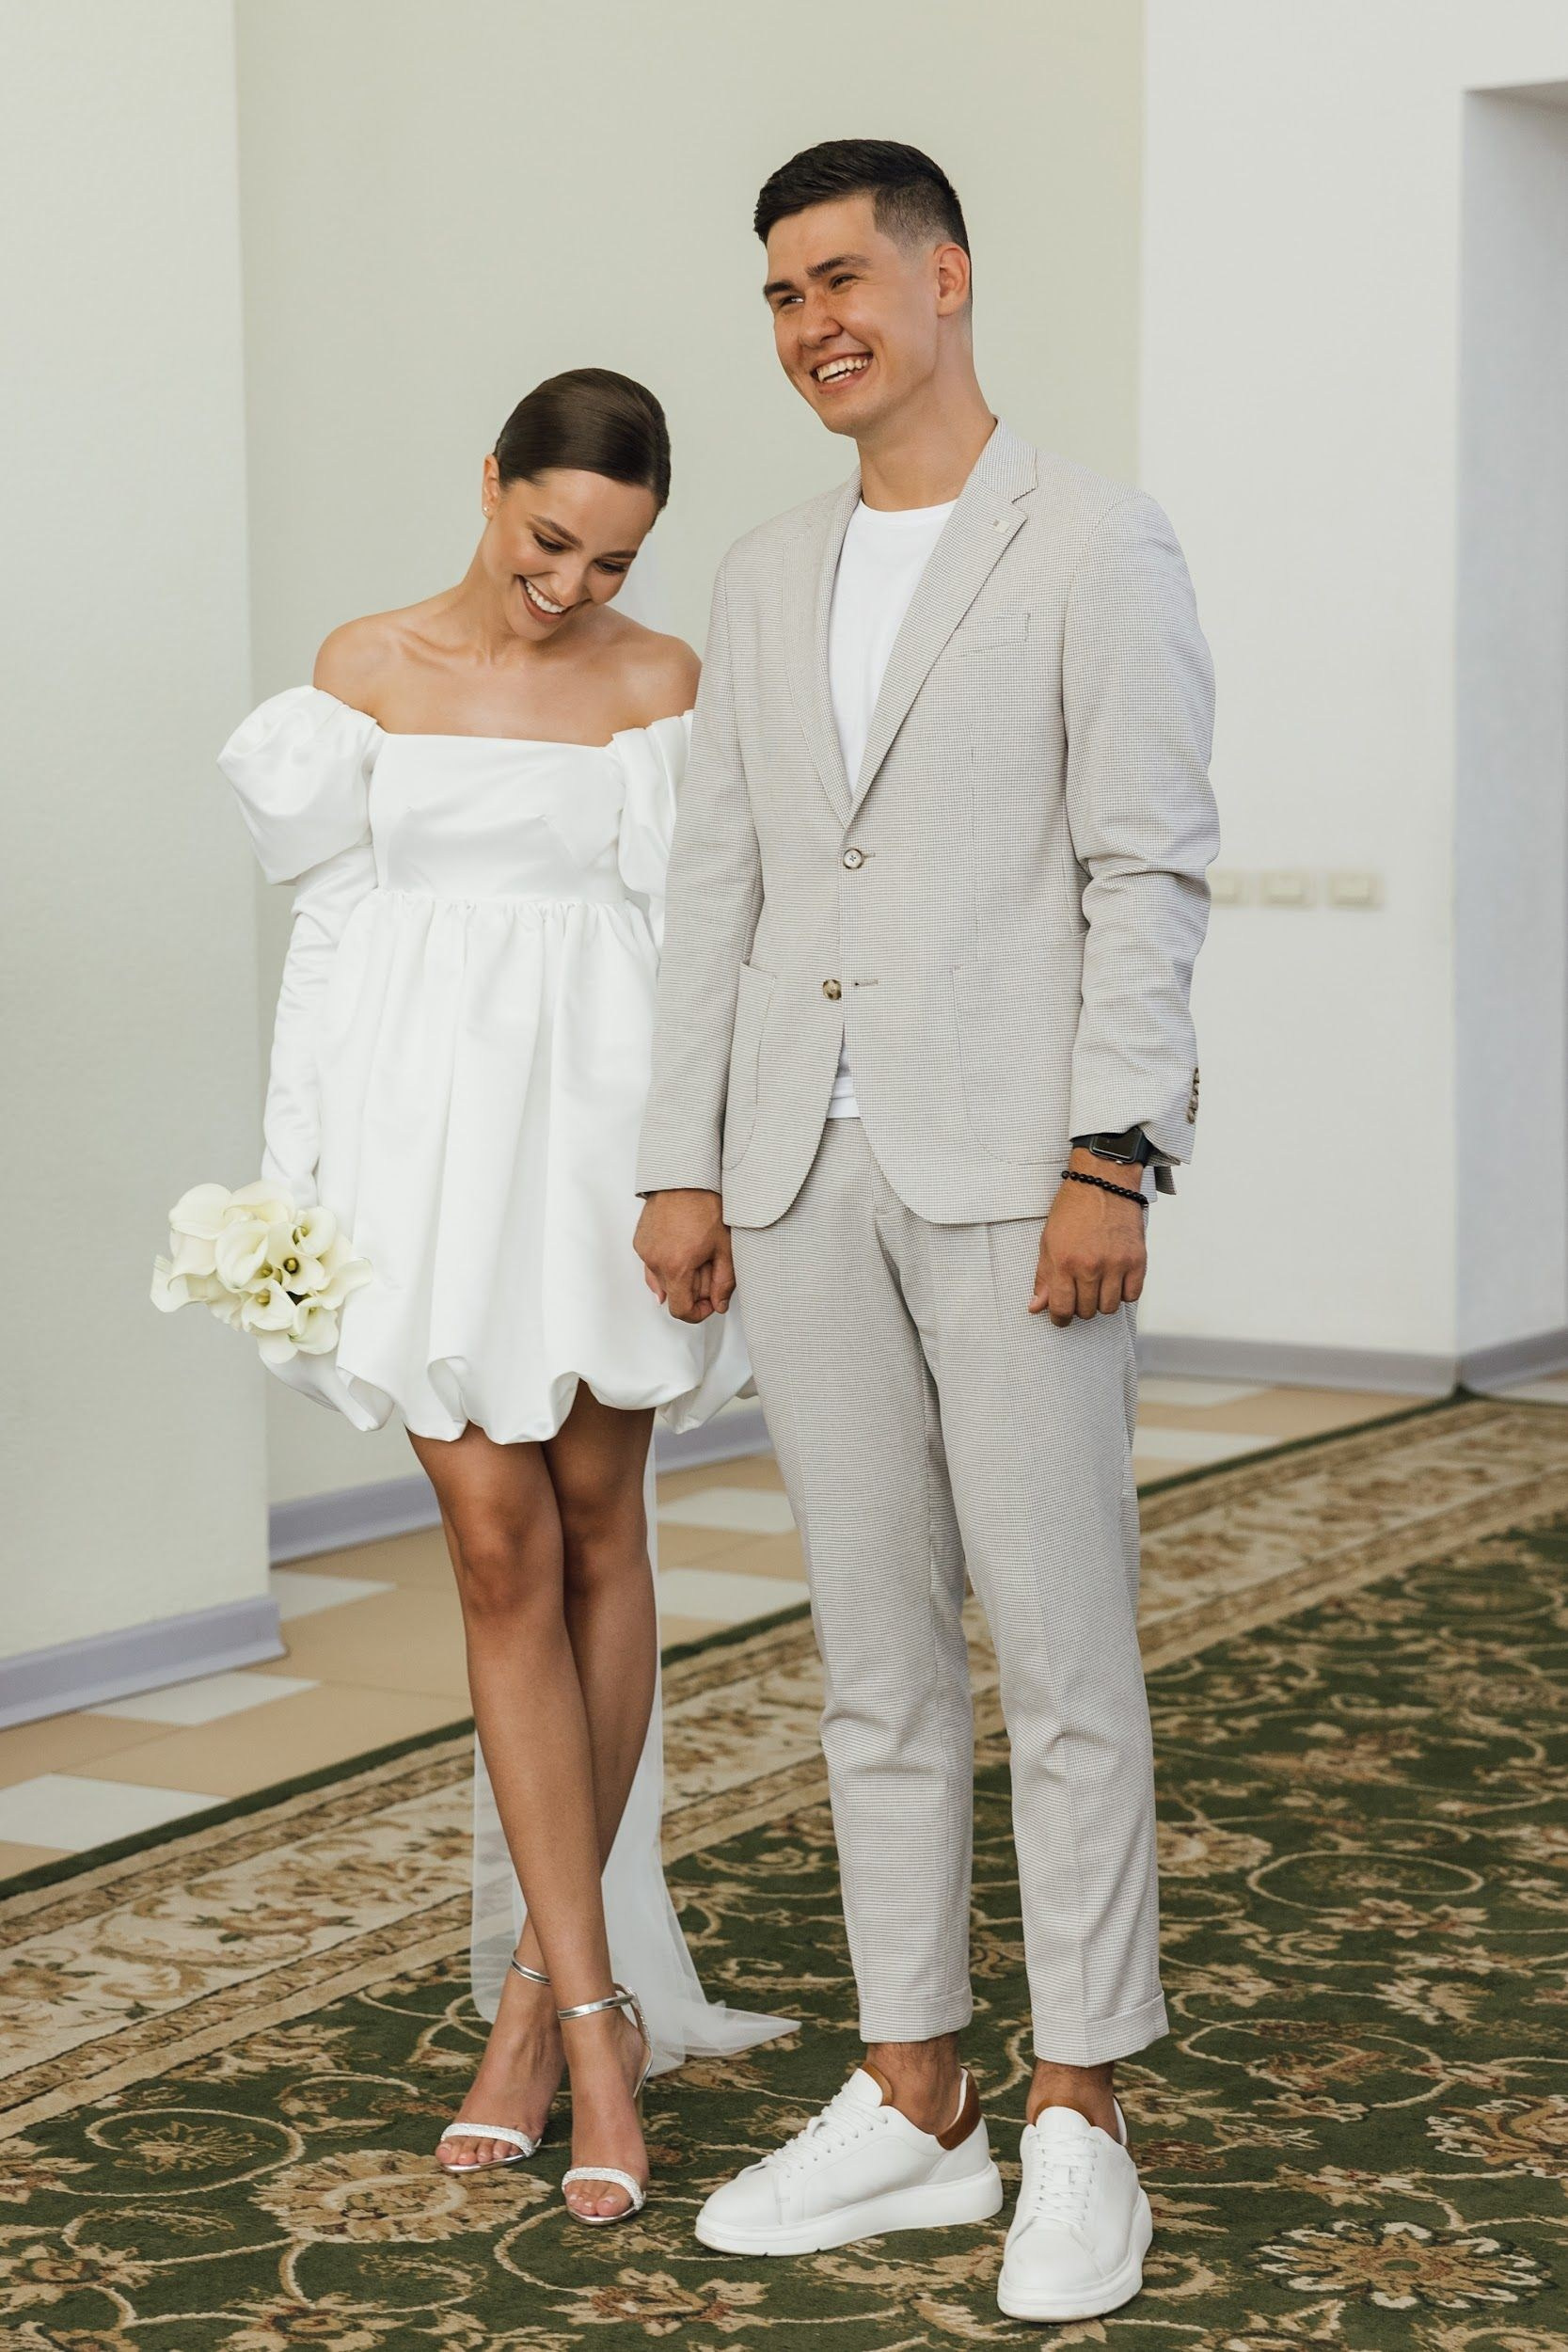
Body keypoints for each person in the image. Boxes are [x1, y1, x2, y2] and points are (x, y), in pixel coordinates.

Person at [634, 142, 1216, 2320]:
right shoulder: (764, 567)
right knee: (872, 1655)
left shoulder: (1094, 537)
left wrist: (1113, 1150)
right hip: (803, 1169)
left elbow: (1147, 861)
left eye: (844, 278)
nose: (814, 324)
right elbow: (723, 878)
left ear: (946, 275)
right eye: (782, 296)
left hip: (1016, 1170)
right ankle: (916, 2093)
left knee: (1060, 1652)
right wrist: (681, 1157)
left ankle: (1079, 2111)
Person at [217, 368, 789, 2226]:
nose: (572, 587)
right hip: (426, 1160)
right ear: (489, 486)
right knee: (493, 1545)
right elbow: (329, 949)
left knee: (603, 1530)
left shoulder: (661, 682)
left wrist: (698, 1173)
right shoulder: (361, 668)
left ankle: (550, 2012)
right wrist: (300, 1195)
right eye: (550, 540)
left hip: (604, 1152)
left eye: (611, 559)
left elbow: (705, 952)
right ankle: (594, 2016)